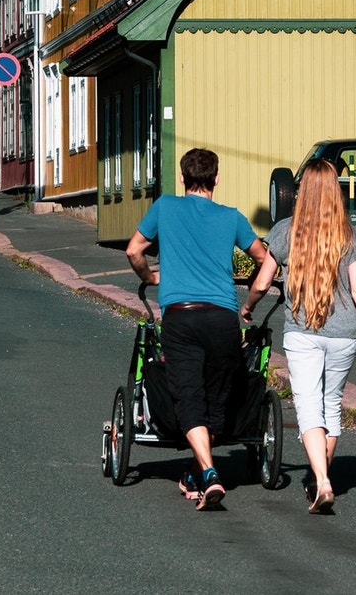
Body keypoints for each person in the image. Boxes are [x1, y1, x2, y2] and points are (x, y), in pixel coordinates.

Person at [242, 158, 356, 514]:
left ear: (302, 190)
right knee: (331, 405)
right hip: (344, 335)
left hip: (303, 333)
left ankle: (322, 481)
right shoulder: (347, 233)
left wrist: (248, 307)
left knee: (308, 405)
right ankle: (318, 476)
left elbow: (262, 281)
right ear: (335, 190)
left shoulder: (285, 231)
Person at [125, 147, 266, 510]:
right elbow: (264, 259)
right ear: (216, 179)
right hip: (222, 317)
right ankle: (200, 470)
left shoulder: (165, 208)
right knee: (217, 398)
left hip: (182, 316)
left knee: (188, 393)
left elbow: (133, 250)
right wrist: (250, 294)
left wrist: (151, 276)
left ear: (183, 178)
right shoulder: (231, 217)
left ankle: (209, 473)